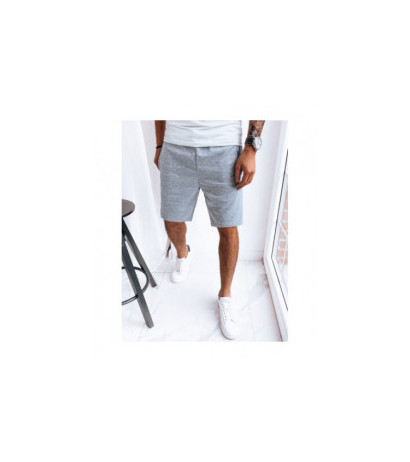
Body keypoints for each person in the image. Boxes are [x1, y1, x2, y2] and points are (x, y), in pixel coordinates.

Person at [154, 120, 265, 340]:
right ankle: (183, 253)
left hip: (224, 147)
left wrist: (251, 149)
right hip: (175, 145)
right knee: (171, 218)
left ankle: (225, 295)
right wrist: (159, 145)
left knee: (228, 226)